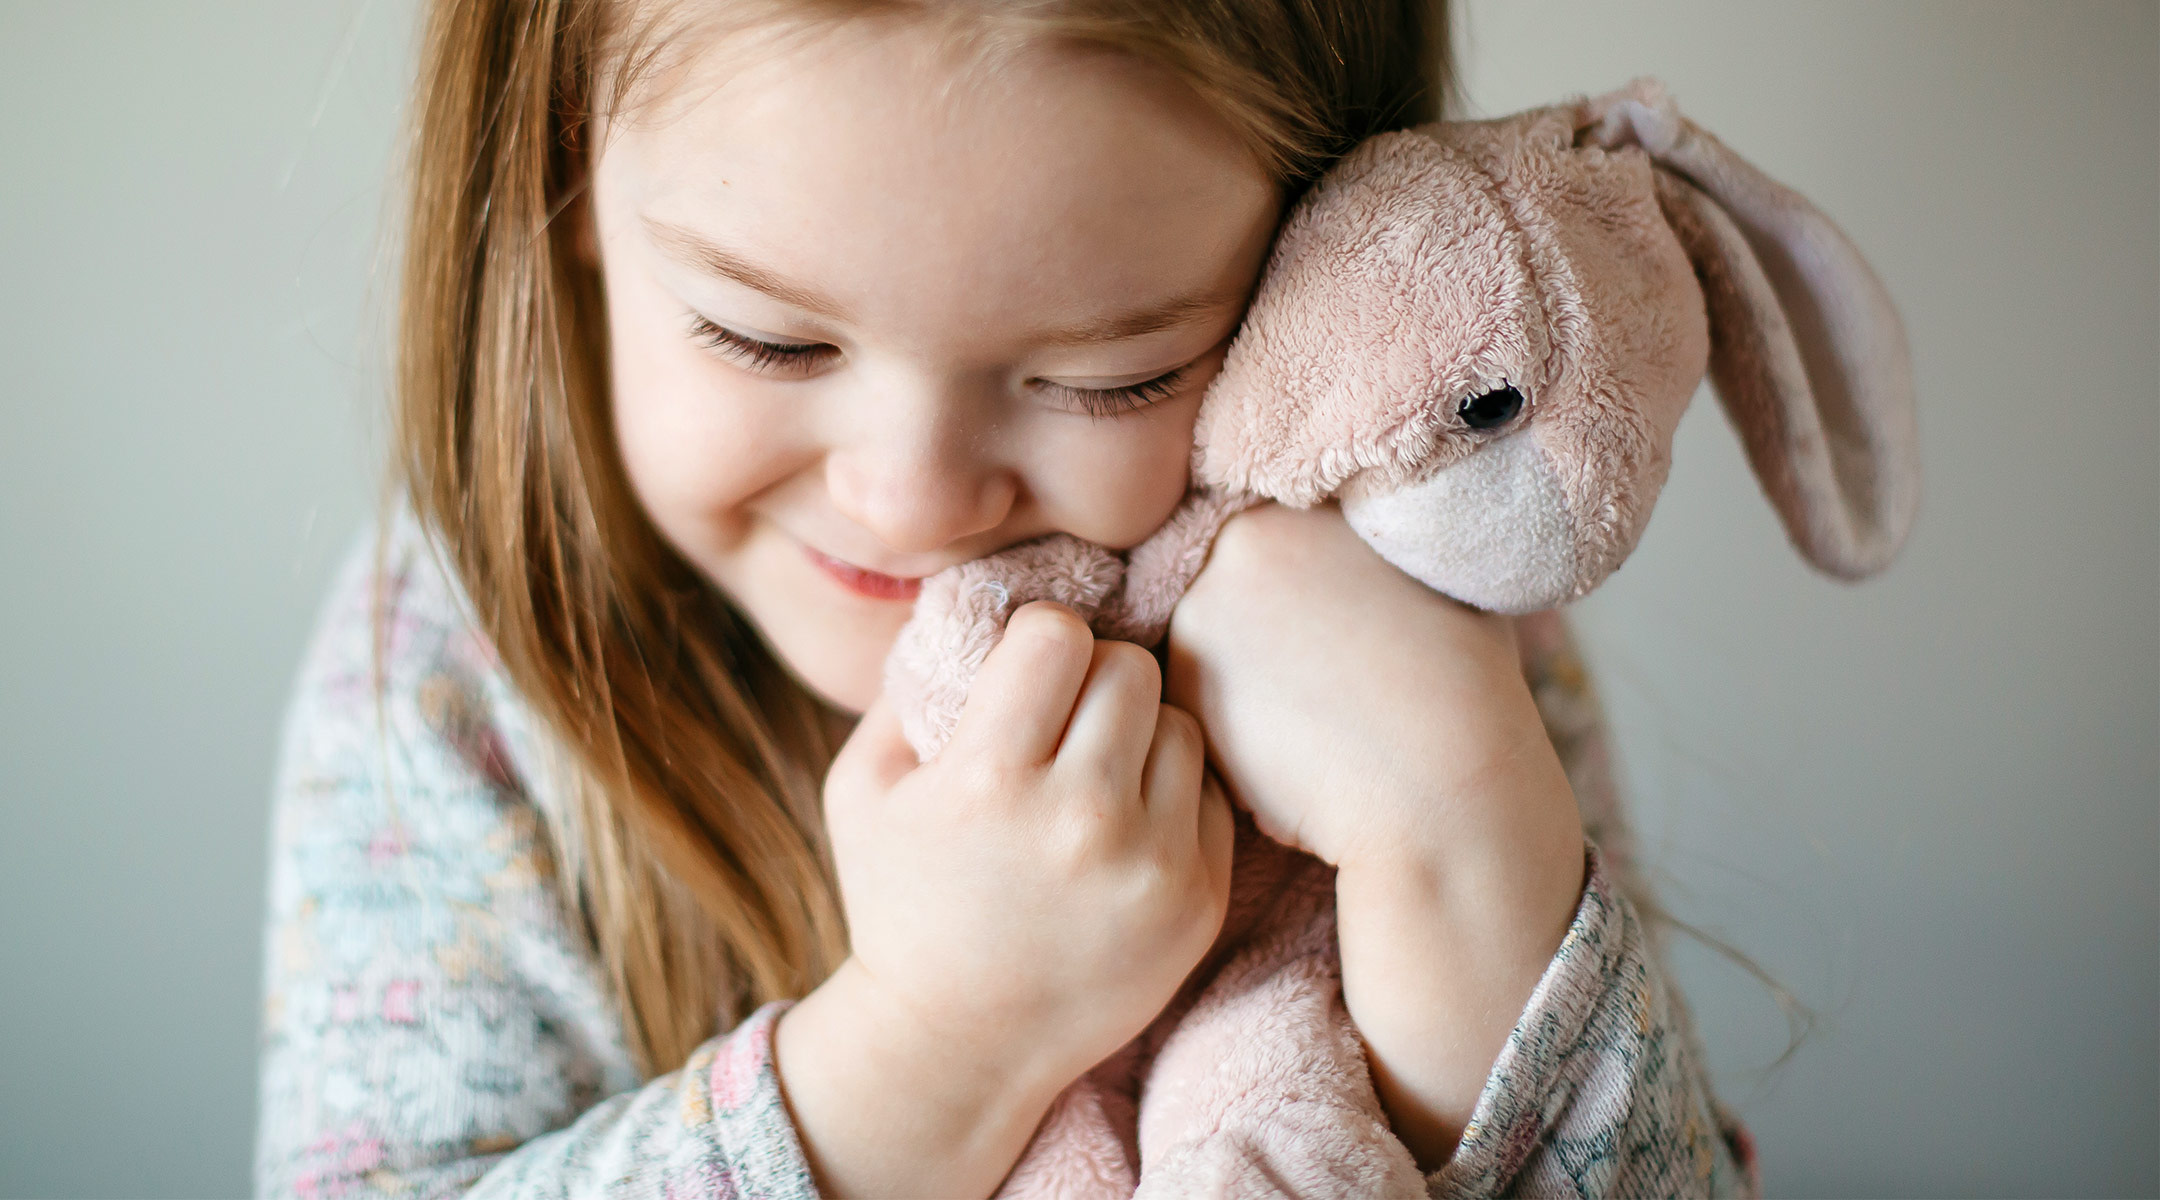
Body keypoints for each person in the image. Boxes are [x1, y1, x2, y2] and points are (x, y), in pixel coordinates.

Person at [253, 0, 1758, 1195]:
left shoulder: (1409, 627)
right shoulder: (460, 670)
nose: (910, 499)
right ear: (565, 165)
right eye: (768, 340)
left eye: (1115, 377)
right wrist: (933, 1050)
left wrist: (1463, 828)